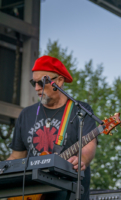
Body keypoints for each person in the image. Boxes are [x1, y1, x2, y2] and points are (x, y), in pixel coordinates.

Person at [7, 55, 97, 200]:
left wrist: (82, 159)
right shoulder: (26, 114)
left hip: (68, 194)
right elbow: (17, 156)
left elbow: (88, 146)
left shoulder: (80, 110)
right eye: (33, 83)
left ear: (59, 81)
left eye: (41, 82)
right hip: (32, 194)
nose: (36, 88)